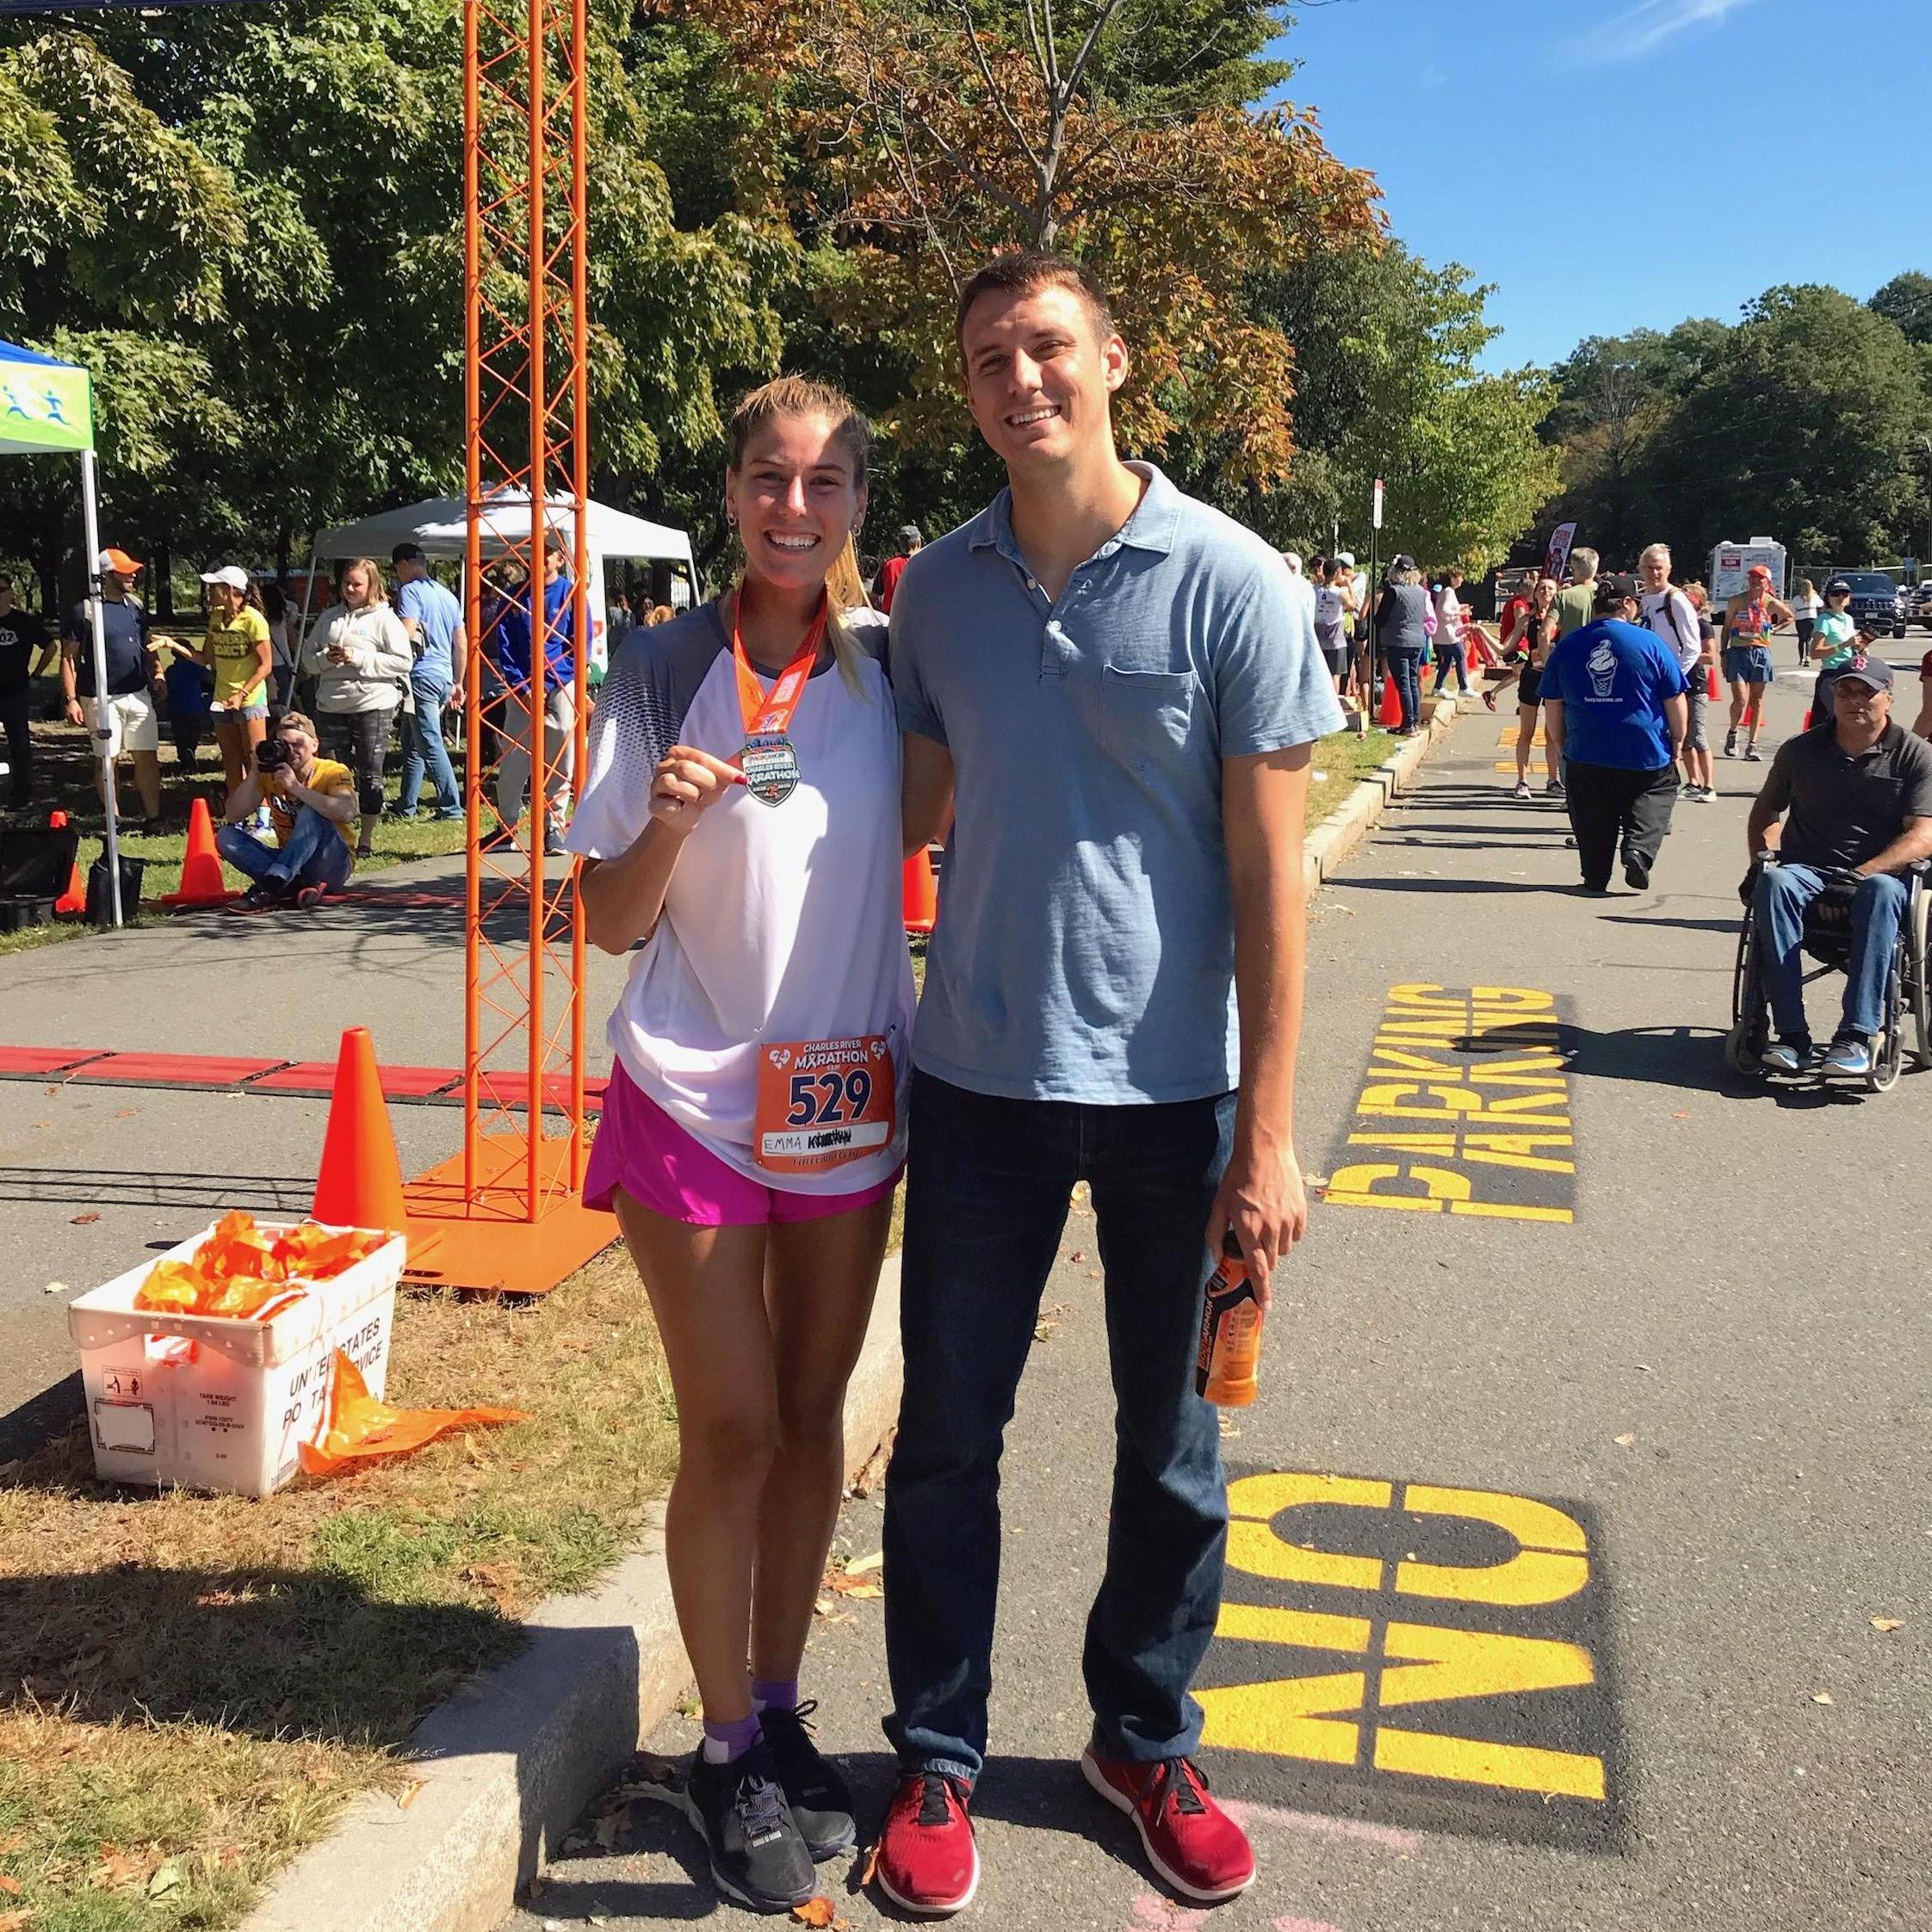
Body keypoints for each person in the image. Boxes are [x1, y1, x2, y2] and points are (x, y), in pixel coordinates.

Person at [878, 250, 1339, 1917]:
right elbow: (911, 813)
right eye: (992, 355)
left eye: (1050, 346)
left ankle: (1140, 1738)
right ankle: (936, 1755)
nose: (1024, 379)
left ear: (1116, 361)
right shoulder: (934, 590)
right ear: (971, 387)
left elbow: (1276, 877)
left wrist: (1270, 1134)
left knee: (1177, 1447)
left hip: (1178, 1100)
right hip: (979, 1085)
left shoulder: (1232, 578)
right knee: (946, 1440)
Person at [568, 375, 911, 1914]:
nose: (795, 505)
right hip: (692, 1096)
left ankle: (775, 1705)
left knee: (814, 1411)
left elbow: (967, 816)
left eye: (826, 483)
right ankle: (718, 1746)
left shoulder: (891, 674)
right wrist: (661, 821)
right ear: (726, 493)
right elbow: (604, 924)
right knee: (732, 1429)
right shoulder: (652, 666)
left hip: (845, 1099)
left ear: (855, 508)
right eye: (769, 478)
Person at [1745, 653, 1932, 1076]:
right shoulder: (1802, 750)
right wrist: (1762, 860)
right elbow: (1766, 814)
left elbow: (1923, 835)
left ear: (1888, 697)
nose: (1853, 700)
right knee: (1774, 884)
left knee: (1882, 892)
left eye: (1865, 691)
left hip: (1879, 878)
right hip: (1807, 870)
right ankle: (1792, 1035)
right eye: (1844, 691)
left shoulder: (1914, 754)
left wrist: (1860, 875)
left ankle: (1856, 1035)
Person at [1541, 573, 1687, 892]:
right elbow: (1674, 698)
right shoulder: (1650, 643)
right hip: (1644, 748)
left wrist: (1560, 739)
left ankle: (1595, 875)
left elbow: (1553, 701)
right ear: (1626, 604)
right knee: (1656, 795)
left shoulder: (1569, 645)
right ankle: (1638, 849)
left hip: (1587, 747)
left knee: (1591, 812)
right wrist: (1678, 739)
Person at [300, 557, 412, 860]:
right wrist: (327, 658)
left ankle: (366, 838)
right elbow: (308, 661)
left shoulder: (385, 619)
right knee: (333, 772)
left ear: (372, 585)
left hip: (372, 703)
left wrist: (357, 657)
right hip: (331, 703)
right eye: (347, 583)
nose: (350, 588)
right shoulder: (329, 618)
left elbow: (403, 662)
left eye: (357, 584)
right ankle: (337, 834)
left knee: (369, 773)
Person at [486, 536, 577, 856]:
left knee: (561, 754)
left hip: (560, 684)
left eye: (547, 554)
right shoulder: (514, 597)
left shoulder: (571, 594)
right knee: (514, 755)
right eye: (532, 554)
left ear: (560, 559)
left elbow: (579, 644)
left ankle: (555, 827)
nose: (539, 560)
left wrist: (554, 681)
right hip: (521, 687)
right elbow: (506, 645)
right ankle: (506, 826)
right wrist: (521, 687)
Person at [214, 709, 359, 911]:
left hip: (332, 862)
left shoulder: (333, 771)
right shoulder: (272, 775)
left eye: (297, 744)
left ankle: (273, 885)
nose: (291, 751)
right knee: (226, 836)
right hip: (290, 860)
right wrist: (255, 771)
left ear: (315, 745)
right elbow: (233, 814)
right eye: (284, 745)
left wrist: (296, 788)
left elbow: (347, 812)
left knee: (310, 812)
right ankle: (287, 884)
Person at [61, 548, 163, 825]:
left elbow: (148, 645)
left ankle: (153, 817)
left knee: (147, 756)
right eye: (125, 571)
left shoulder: (136, 607)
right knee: (107, 759)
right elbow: (69, 657)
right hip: (100, 697)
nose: (132, 576)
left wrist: (158, 673)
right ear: (107, 575)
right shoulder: (85, 610)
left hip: (138, 693)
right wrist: (71, 698)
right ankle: (113, 819)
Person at [390, 542, 467, 822]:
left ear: (405, 565)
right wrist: (458, 681)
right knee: (412, 741)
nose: (397, 576)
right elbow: (461, 641)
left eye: (397, 570)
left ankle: (450, 806)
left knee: (429, 741)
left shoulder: (410, 591)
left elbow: (406, 633)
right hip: (444, 675)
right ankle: (406, 803)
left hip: (421, 674)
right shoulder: (447, 595)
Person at [1638, 545, 1714, 802]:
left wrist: (1673, 680)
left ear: (1669, 569)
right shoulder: (1645, 600)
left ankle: (1665, 798)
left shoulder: (1676, 600)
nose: (1654, 573)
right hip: (1648, 683)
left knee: (1674, 742)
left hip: (1673, 684)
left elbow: (1692, 647)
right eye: (1648, 567)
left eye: (1659, 567)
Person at [197, 565, 273, 808]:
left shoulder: (253, 620)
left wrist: (242, 694)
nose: (209, 592)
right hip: (222, 699)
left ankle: (264, 816)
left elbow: (266, 665)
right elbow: (206, 658)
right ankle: (239, 813)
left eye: (214, 587)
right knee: (230, 760)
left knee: (255, 760)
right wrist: (173, 645)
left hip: (250, 700)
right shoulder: (216, 618)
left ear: (229, 590)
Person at [1720, 562, 1791, 763]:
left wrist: (1774, 629)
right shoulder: (1737, 601)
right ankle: (1733, 733)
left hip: (1760, 652)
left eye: (1759, 578)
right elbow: (1726, 628)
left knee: (1757, 700)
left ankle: (1752, 745)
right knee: (1740, 699)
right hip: (1738, 652)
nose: (1755, 581)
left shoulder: (1770, 602)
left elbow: (1789, 616)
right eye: (1752, 577)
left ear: (1767, 582)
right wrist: (1723, 653)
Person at [0, 573, 56, 810]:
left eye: (2, 590)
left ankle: (22, 793)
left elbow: (51, 646)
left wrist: (37, 673)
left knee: (19, 744)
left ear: (10, 594)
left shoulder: (23, 622)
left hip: (15, 692)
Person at [1509, 575, 1558, 800]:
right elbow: (1507, 645)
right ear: (1536, 593)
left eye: (1550, 589)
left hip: (1554, 678)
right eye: (1542, 588)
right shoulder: (1527, 618)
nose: (1546, 592)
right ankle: (1522, 781)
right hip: (1531, 676)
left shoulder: (1561, 619)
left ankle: (1552, 780)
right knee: (1527, 731)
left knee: (1553, 733)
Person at [1374, 555, 1431, 735]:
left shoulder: (1394, 591)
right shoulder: (1421, 592)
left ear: (1397, 572)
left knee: (1403, 683)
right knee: (1412, 681)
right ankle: (1414, 720)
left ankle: (1408, 723)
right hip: (1417, 640)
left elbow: (1381, 618)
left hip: (1398, 640)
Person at [157, 635, 214, 773]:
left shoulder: (171, 670)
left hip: (176, 708)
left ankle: (184, 759)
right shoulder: (195, 668)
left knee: (180, 735)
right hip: (194, 707)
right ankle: (191, 752)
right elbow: (210, 680)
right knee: (193, 733)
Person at [1313, 557, 1354, 700]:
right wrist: (1349, 585)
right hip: (1336, 640)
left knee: (1319, 674)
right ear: (1338, 573)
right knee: (1334, 675)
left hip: (1318, 639)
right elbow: (1352, 606)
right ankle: (1333, 702)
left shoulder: (1314, 590)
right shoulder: (1339, 593)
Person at [1431, 565, 1471, 697]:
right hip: (1449, 633)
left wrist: (1460, 607)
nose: (1461, 580)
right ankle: (1463, 687)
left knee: (1447, 660)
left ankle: (1438, 686)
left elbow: (1446, 608)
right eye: (1460, 577)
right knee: (1460, 656)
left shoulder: (1446, 591)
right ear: (1452, 578)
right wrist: (1460, 612)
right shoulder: (1449, 591)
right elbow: (1444, 611)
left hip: (1444, 634)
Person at [875, 524, 924, 614]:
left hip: (890, 617)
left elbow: (875, 595)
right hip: (918, 617)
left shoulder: (888, 565)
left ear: (900, 544)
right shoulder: (925, 563)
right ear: (918, 542)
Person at [1552, 547, 1598, 641]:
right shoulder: (1606, 594)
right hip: (1597, 651)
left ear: (1574, 570)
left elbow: (1544, 633)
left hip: (1570, 651)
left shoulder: (1563, 595)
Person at [1810, 577, 1856, 662]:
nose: (1841, 597)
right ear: (1827, 597)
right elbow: (1814, 653)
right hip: (1832, 671)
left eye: (1845, 594)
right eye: (1836, 593)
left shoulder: (1849, 619)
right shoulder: (1824, 620)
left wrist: (1862, 648)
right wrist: (1843, 645)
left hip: (1849, 668)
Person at [1790, 575, 1821, 667]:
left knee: (1801, 639)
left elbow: (1793, 609)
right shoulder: (1815, 597)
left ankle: (1801, 659)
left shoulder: (1797, 598)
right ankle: (1807, 657)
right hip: (1811, 618)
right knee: (1808, 639)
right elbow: (1821, 604)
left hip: (1800, 619)